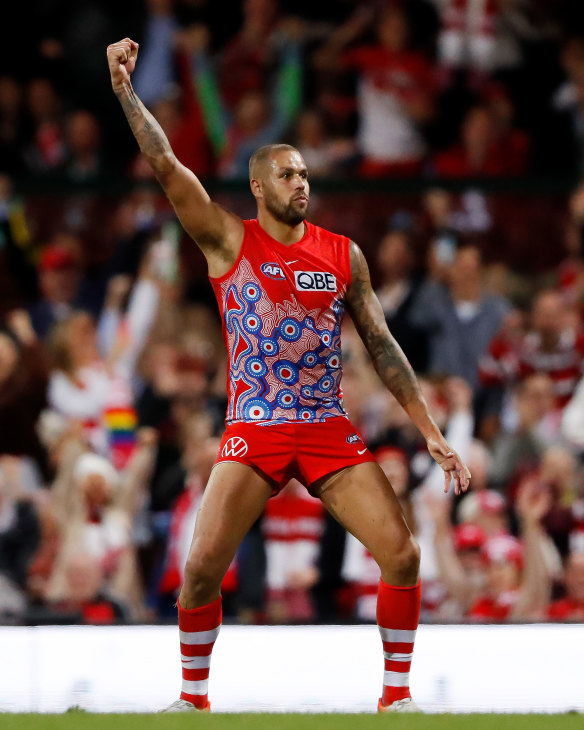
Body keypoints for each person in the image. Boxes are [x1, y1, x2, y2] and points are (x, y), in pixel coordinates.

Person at [107, 37, 471, 714]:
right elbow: (163, 162)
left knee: (403, 555)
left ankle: (397, 700)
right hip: (257, 427)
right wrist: (126, 90)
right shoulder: (227, 239)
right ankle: (192, 702)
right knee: (199, 573)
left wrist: (430, 431)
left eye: (305, 174)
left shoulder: (343, 255)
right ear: (258, 185)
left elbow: (384, 346)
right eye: (287, 174)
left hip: (327, 425)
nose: (300, 183)